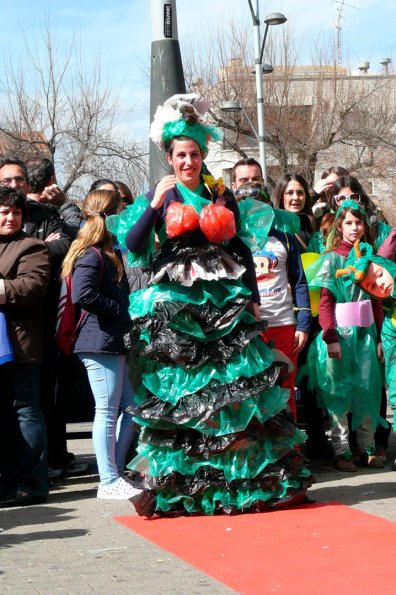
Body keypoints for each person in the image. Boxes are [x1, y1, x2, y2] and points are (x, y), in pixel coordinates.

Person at [118, 93, 312, 517]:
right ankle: (191, 484)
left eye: (194, 154)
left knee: (229, 392)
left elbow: (242, 251)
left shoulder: (220, 193)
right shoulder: (160, 194)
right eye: (180, 155)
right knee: (187, 390)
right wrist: (153, 206)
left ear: (203, 155)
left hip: (225, 303)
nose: (187, 161)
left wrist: (255, 302)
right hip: (178, 304)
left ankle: (236, 481)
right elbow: (133, 247)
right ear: (169, 157)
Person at [61, 189, 141, 500]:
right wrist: (121, 311)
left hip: (108, 341)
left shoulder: (105, 251)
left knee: (131, 408)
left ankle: (115, 473)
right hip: (98, 342)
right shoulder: (92, 253)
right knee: (107, 411)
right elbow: (83, 294)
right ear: (111, 216)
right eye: (122, 211)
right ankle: (107, 480)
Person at [304, 200, 385, 471]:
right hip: (339, 336)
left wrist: (381, 338)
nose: (355, 227)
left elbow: (376, 300)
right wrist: (331, 338)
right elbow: (325, 303)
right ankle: (341, 451)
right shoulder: (331, 260)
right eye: (349, 222)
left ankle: (368, 447)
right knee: (339, 395)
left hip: (365, 337)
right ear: (339, 226)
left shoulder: (369, 259)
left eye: (359, 222)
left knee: (366, 391)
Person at [0, 187, 51, 507]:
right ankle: (8, 482)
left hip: (19, 346)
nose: (10, 217)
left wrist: (1, 288)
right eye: (4, 211)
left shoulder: (31, 246)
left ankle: (32, 484)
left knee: (23, 411)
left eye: (16, 212)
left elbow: (33, 285)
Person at [25, 156, 82, 239]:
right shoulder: (50, 218)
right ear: (51, 181)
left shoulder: (12, 210)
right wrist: (64, 202)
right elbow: (76, 233)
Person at [272, 173, 316, 253]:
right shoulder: (272, 228)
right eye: (290, 193)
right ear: (280, 196)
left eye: (300, 193)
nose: (295, 198)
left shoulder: (314, 225)